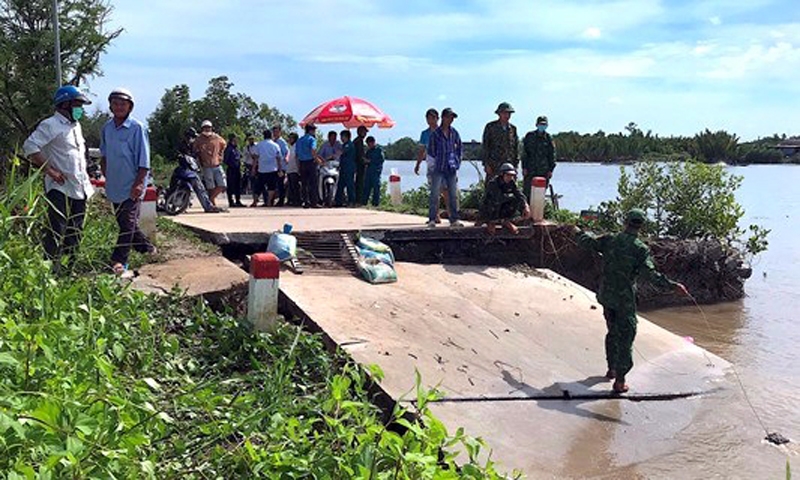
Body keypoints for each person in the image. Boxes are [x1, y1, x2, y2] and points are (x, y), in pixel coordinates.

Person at [575, 209, 689, 394]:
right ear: (641, 226)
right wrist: (673, 286)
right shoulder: (640, 249)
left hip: (606, 296)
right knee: (626, 338)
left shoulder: (610, 239)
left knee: (612, 332)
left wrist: (578, 231)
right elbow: (650, 275)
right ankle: (620, 382)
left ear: (625, 222)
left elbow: (588, 243)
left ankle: (611, 369)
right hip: (624, 300)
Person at [23, 85, 94, 272]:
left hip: (80, 187)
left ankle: (69, 268)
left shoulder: (76, 126)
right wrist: (50, 171)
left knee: (76, 229)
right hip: (59, 187)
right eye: (77, 104)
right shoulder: (50, 124)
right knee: (57, 228)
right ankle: (50, 269)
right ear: (65, 104)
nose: (80, 108)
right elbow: (30, 147)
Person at [100, 87, 156, 275]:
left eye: (123, 104)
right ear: (110, 106)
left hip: (133, 185)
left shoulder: (137, 128)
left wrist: (139, 183)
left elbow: (144, 160)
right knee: (125, 223)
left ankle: (118, 260)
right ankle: (146, 248)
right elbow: (104, 155)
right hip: (114, 184)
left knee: (127, 223)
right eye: (115, 103)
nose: (119, 107)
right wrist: (105, 175)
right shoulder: (107, 128)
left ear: (130, 107)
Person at [426, 108, 463, 228]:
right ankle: (432, 218)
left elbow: (459, 148)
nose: (451, 120)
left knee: (453, 194)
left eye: (453, 118)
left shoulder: (454, 133)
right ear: (444, 118)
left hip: (451, 168)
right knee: (435, 194)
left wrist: (457, 162)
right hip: (438, 167)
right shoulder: (435, 134)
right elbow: (431, 151)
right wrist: (432, 167)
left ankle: (454, 219)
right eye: (449, 117)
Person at [415, 108, 448, 223]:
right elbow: (421, 150)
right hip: (431, 164)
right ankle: (435, 216)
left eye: (433, 118)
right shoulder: (425, 134)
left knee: (446, 190)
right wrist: (418, 164)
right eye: (428, 118)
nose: (431, 120)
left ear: (437, 118)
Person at [480, 163, 531, 235]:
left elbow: (519, 194)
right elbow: (498, 198)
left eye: (512, 175)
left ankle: (507, 220)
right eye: (508, 175)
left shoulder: (511, 183)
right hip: (490, 209)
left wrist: (526, 205)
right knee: (501, 202)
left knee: (516, 200)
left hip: (501, 207)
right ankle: (492, 221)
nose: (510, 177)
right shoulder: (493, 183)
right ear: (502, 174)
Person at [521, 115, 556, 201]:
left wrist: (551, 170)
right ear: (536, 124)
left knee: (540, 196)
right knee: (527, 194)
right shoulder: (529, 136)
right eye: (540, 124)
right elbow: (524, 153)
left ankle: (538, 214)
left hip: (543, 172)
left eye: (544, 124)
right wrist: (524, 167)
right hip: (530, 171)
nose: (542, 126)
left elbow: (552, 155)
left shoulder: (548, 138)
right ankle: (526, 213)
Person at [481, 102, 519, 181]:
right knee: (492, 189)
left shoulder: (513, 129)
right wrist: (486, 164)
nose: (507, 115)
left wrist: (515, 166)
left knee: (509, 189)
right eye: (504, 113)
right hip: (494, 165)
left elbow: (515, 148)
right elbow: (485, 146)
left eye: (509, 113)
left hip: (509, 166)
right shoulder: (491, 127)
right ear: (499, 114)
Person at [193, 120, 227, 206]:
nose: (207, 129)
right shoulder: (199, 139)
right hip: (206, 166)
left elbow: (224, 145)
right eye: (205, 127)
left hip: (217, 164)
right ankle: (212, 203)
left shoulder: (216, 137)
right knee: (210, 186)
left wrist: (220, 155)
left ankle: (212, 198)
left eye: (208, 127)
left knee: (222, 184)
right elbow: (194, 149)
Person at [250, 129, 283, 207]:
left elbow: (256, 158)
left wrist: (253, 169)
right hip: (272, 169)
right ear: (271, 135)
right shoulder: (275, 145)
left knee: (258, 186)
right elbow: (278, 158)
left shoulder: (259, 145)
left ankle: (255, 201)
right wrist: (280, 169)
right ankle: (269, 201)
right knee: (271, 187)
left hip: (262, 169)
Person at [296, 124, 321, 208]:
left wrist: (298, 166)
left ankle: (306, 202)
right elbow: (313, 150)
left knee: (304, 184)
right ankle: (314, 202)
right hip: (310, 162)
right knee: (313, 183)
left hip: (302, 163)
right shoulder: (312, 139)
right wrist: (318, 160)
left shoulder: (299, 140)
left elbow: (297, 154)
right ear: (311, 131)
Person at [335, 130, 357, 207]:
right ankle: (338, 201)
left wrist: (334, 155)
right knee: (340, 185)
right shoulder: (344, 145)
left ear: (346, 136)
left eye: (342, 136)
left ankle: (351, 201)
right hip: (343, 168)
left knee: (349, 185)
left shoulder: (349, 145)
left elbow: (342, 152)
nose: (341, 138)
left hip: (349, 168)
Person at [362, 136, 385, 207]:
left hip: (376, 171)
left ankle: (375, 203)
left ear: (373, 142)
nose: (369, 146)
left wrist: (370, 161)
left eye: (369, 144)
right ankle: (364, 202)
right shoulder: (368, 151)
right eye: (368, 144)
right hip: (369, 171)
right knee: (366, 187)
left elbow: (381, 160)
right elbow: (366, 159)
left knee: (376, 187)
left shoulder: (379, 150)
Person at [223, 133, 244, 207]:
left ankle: (238, 200)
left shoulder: (236, 148)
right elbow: (225, 160)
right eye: (235, 138)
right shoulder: (229, 149)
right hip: (231, 169)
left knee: (238, 185)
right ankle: (231, 201)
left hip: (237, 169)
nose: (237, 140)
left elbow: (240, 156)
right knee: (231, 186)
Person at [272, 125, 290, 206]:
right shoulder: (273, 141)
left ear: (280, 132)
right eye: (274, 132)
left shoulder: (281, 141)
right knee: (276, 184)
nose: (275, 133)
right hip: (274, 166)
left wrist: (286, 158)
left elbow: (287, 151)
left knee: (280, 184)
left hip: (281, 166)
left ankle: (281, 200)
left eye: (277, 131)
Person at [353, 125, 369, 204]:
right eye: (364, 132)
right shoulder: (358, 141)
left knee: (359, 182)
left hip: (358, 165)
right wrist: (366, 161)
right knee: (359, 182)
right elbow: (359, 155)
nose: (365, 134)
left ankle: (357, 199)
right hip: (358, 165)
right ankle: (358, 200)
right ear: (360, 132)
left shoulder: (358, 141)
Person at [285, 132, 301, 206]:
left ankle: (297, 201)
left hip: (295, 169)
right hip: (289, 169)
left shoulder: (297, 146)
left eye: (291, 138)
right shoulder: (290, 147)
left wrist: (298, 168)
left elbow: (297, 157)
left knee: (295, 186)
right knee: (290, 186)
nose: (289, 139)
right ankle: (291, 200)